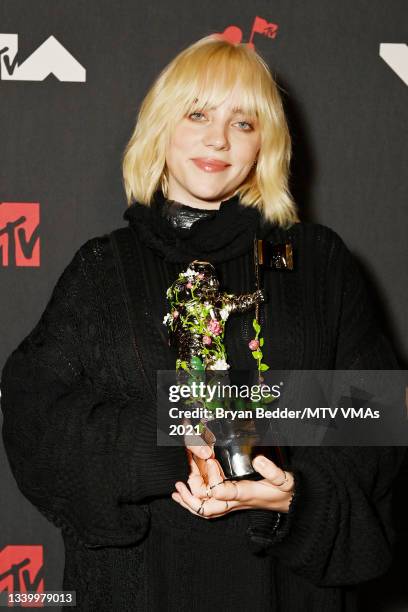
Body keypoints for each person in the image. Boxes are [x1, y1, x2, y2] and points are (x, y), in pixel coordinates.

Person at [1, 34, 404, 612]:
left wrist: (294, 497)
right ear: (162, 127)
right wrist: (169, 433)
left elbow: (372, 417)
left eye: (244, 122)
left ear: (266, 142)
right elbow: (37, 425)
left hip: (288, 589)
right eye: (198, 114)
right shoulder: (102, 269)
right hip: (140, 588)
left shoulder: (319, 261)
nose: (218, 138)